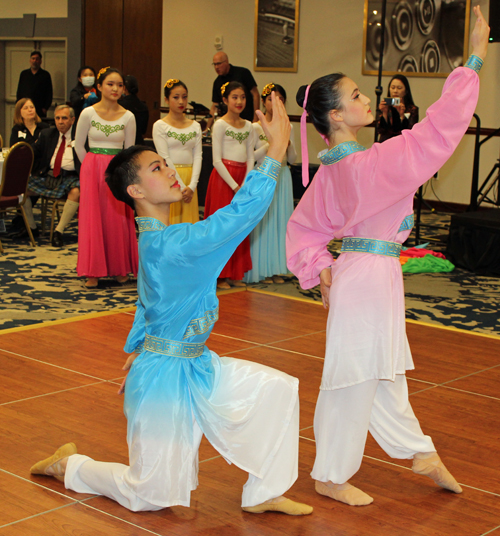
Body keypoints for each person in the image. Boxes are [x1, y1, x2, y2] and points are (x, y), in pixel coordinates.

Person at [29, 92, 314, 518]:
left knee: (277, 391)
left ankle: (264, 492)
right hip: (164, 380)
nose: (170, 170)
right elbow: (237, 217)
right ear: (137, 189)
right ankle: (70, 465)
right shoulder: (174, 245)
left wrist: (141, 348)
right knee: (151, 496)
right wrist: (274, 151)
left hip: (194, 365)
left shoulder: (158, 241)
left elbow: (150, 303)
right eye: (158, 167)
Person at [286, 5, 489, 508]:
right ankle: (331, 473)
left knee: (379, 371)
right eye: (355, 95)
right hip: (367, 275)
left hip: (367, 273)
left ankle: (418, 451)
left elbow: (304, 229)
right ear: (335, 115)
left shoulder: (335, 168)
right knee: (354, 376)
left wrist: (321, 268)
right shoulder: (369, 164)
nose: (365, 98)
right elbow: (434, 135)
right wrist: (473, 64)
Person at [75, 67, 138, 288]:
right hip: (92, 170)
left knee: (118, 218)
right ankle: (93, 270)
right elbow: (78, 144)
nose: (115, 89)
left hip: (118, 169)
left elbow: (129, 150)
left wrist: (120, 173)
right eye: (110, 84)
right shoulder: (88, 113)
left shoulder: (129, 116)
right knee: (93, 219)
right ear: (99, 86)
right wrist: (91, 167)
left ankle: (120, 268)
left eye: (120, 85)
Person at [204, 81, 255, 290]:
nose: (239, 101)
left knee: (239, 226)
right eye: (234, 97)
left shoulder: (249, 125)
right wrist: (235, 186)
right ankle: (220, 274)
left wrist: (246, 182)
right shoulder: (220, 125)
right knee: (221, 227)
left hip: (243, 178)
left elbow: (251, 157)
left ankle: (235, 271)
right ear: (225, 100)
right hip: (224, 179)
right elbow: (216, 160)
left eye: (242, 97)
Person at [244, 83, 296, 285]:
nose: (276, 103)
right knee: (264, 223)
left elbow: (292, 158)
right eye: (271, 99)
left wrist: (287, 142)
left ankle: (276, 268)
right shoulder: (255, 127)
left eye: (281, 99)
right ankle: (260, 268)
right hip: (264, 173)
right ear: (264, 102)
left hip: (283, 175)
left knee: (280, 221)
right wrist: (273, 143)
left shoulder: (288, 127)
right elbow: (252, 156)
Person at [21, 105, 81, 247]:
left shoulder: (80, 136)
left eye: (64, 118)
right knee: (20, 189)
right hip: (49, 175)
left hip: (71, 176)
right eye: (57, 118)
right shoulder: (47, 134)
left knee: (76, 191)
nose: (60, 122)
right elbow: (33, 152)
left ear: (72, 120)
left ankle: (58, 231)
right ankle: (32, 228)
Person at [152, 79, 202, 224]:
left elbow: (198, 156)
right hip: (170, 177)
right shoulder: (160, 126)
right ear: (166, 100)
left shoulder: (195, 126)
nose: (181, 101)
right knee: (171, 222)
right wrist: (179, 184)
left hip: (190, 179)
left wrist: (192, 185)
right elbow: (164, 157)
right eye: (176, 97)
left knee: (188, 224)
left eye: (184, 97)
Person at [207, 52, 259, 129]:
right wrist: (207, 127)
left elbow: (256, 95)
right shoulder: (217, 82)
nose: (216, 67)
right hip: (228, 123)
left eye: (219, 64)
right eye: (214, 64)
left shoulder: (243, 73)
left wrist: (255, 119)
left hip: (247, 119)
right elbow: (214, 105)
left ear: (226, 62)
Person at [376, 74, 419, 143]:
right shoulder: (383, 107)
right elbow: (380, 130)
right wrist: (384, 113)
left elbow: (409, 131)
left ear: (406, 91)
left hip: (403, 144)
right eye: (392, 88)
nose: (395, 91)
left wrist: (402, 116)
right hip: (385, 143)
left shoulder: (412, 109)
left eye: (399, 88)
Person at [16, 50, 53, 118]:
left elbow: (49, 92)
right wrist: (19, 105)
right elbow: (20, 90)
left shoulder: (45, 75)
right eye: (33, 58)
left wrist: (45, 108)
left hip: (39, 108)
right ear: (30, 60)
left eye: (37, 59)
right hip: (25, 107)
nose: (34, 61)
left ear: (40, 61)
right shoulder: (24, 74)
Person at [119, 75, 149, 145]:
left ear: (124, 88)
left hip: (123, 142)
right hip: (139, 143)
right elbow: (143, 131)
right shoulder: (143, 106)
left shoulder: (120, 105)